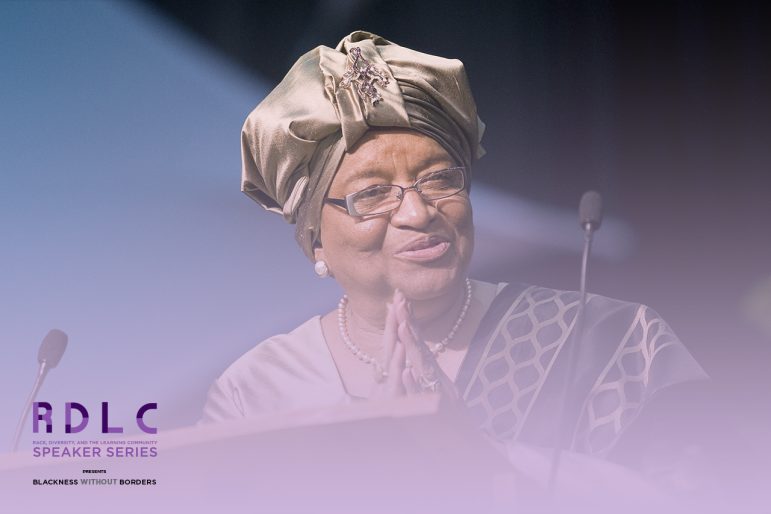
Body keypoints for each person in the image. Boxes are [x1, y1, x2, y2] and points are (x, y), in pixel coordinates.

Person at [201, 30, 706, 478]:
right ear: (316, 240)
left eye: (440, 179)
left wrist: (477, 457)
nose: (418, 212)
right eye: (372, 193)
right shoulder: (256, 392)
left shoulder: (613, 342)